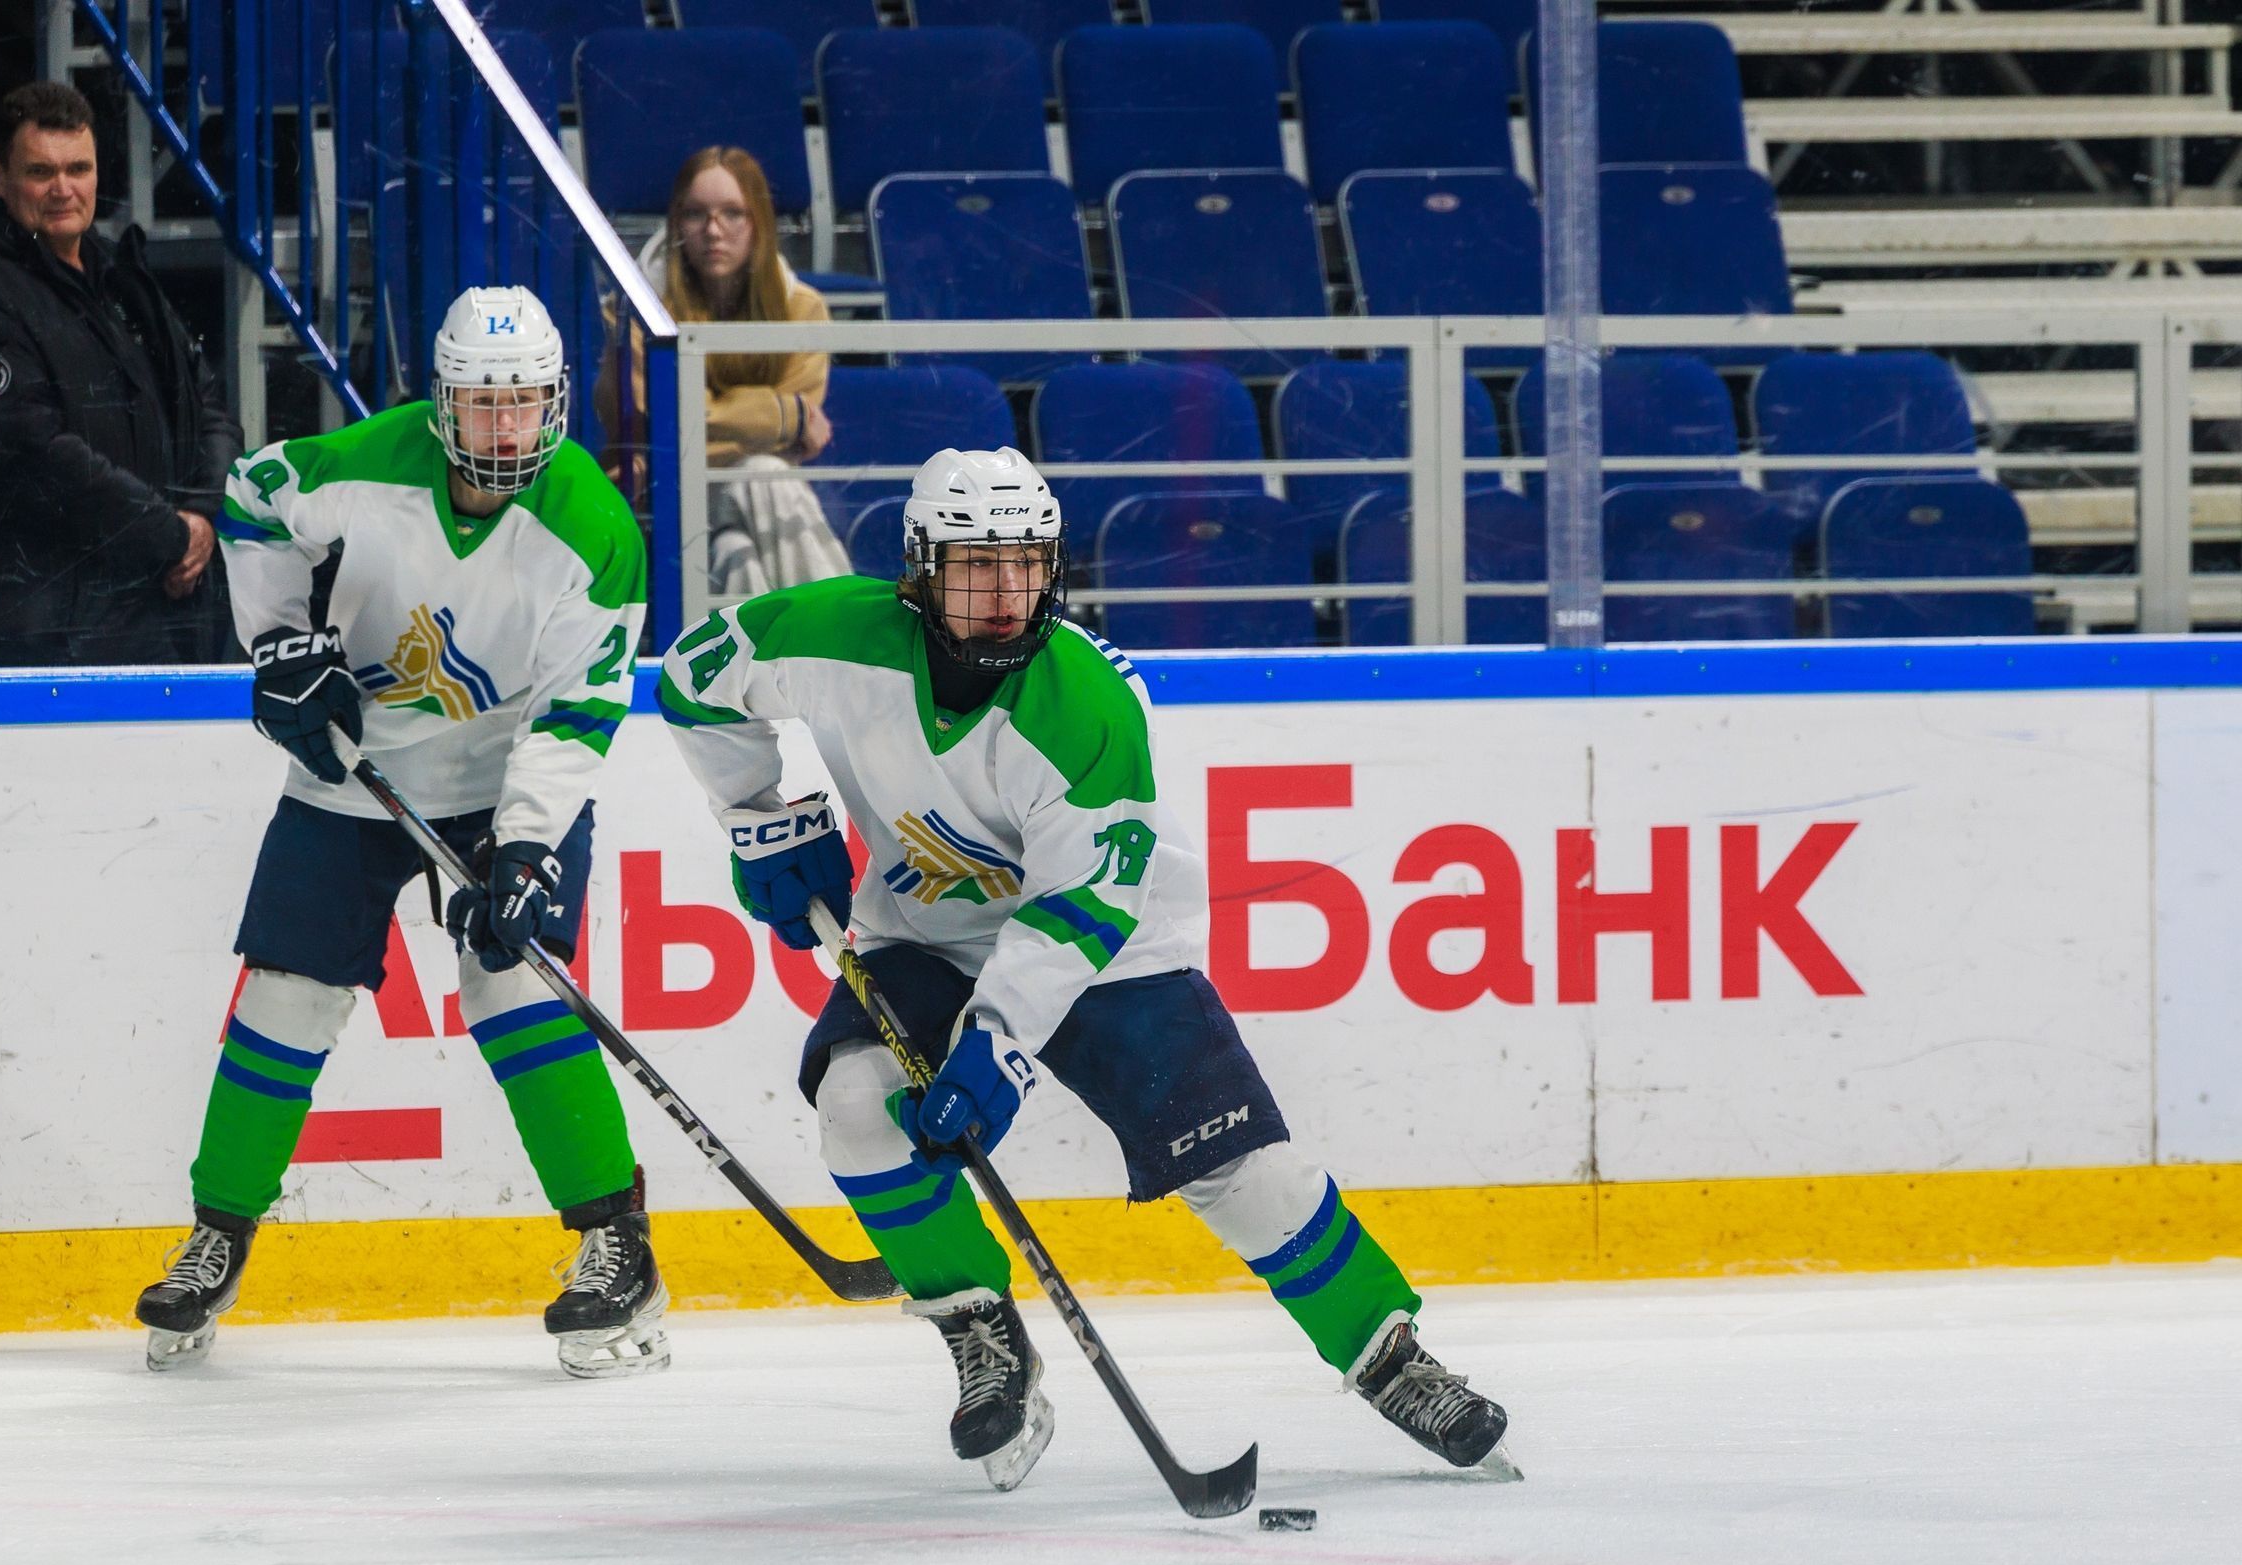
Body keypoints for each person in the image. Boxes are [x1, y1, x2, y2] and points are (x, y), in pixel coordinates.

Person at [655, 447, 1511, 1489]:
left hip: (1110, 948)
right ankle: (979, 1328)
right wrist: (762, 817)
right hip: (924, 934)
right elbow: (694, 676)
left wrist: (997, 1047)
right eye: (977, 565)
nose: (1005, 593)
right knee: (858, 1107)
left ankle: (1388, 1354)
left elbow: (1082, 908)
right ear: (920, 568)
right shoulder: (835, 635)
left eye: (1026, 564)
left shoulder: (1089, 705)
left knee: (1242, 1170)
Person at [132, 286, 663, 1380]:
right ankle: (217, 1234)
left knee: (513, 989)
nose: (505, 426)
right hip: (353, 771)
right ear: (441, 402)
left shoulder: (596, 532)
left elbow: (576, 714)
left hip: (509, 781)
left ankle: (618, 1242)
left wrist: (526, 848)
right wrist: (281, 643)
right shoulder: (368, 464)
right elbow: (251, 500)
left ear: (556, 401)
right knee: (287, 993)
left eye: (525, 402)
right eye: (483, 403)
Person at [0, 80, 241, 665]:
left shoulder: (121, 277)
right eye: (40, 172)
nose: (63, 189)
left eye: (78, 169)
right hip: (53, 644)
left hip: (163, 616)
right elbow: (33, 449)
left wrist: (202, 519)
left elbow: (208, 405)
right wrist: (172, 535)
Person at [595, 145, 853, 600]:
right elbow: (657, 427)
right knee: (762, 471)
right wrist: (782, 416)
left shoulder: (803, 309)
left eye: (732, 213)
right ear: (676, 224)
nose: (713, 231)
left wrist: (705, 422)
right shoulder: (635, 313)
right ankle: (843, 625)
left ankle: (767, 649)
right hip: (661, 502)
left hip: (748, 507)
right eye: (695, 214)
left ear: (759, 223)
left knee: (737, 553)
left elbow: (681, 424)